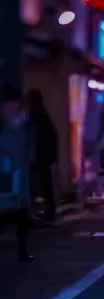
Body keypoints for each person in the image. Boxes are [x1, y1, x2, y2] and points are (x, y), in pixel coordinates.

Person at [0, 87, 33, 262]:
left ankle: (23, 250)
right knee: (9, 210)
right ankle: (22, 251)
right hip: (7, 169)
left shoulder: (21, 121)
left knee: (19, 212)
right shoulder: (13, 120)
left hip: (17, 170)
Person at [25, 90, 59, 223]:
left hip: (39, 156)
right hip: (42, 156)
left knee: (40, 185)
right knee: (44, 185)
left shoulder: (36, 115)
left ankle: (44, 212)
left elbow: (37, 137)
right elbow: (53, 136)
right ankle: (48, 212)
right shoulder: (42, 114)